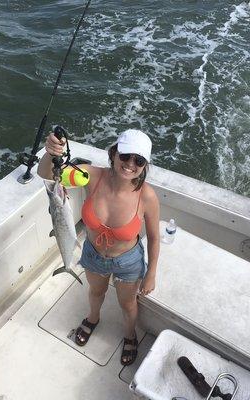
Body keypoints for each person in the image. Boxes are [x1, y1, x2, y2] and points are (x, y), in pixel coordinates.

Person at [38, 129, 160, 366]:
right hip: (93, 254)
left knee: (128, 303)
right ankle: (92, 319)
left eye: (139, 160)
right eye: (125, 156)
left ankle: (130, 335)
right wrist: (50, 152)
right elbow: (49, 175)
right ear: (114, 154)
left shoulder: (147, 196)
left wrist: (151, 273)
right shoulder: (90, 177)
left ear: (145, 165)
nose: (130, 164)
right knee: (95, 292)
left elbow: (154, 238)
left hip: (128, 262)